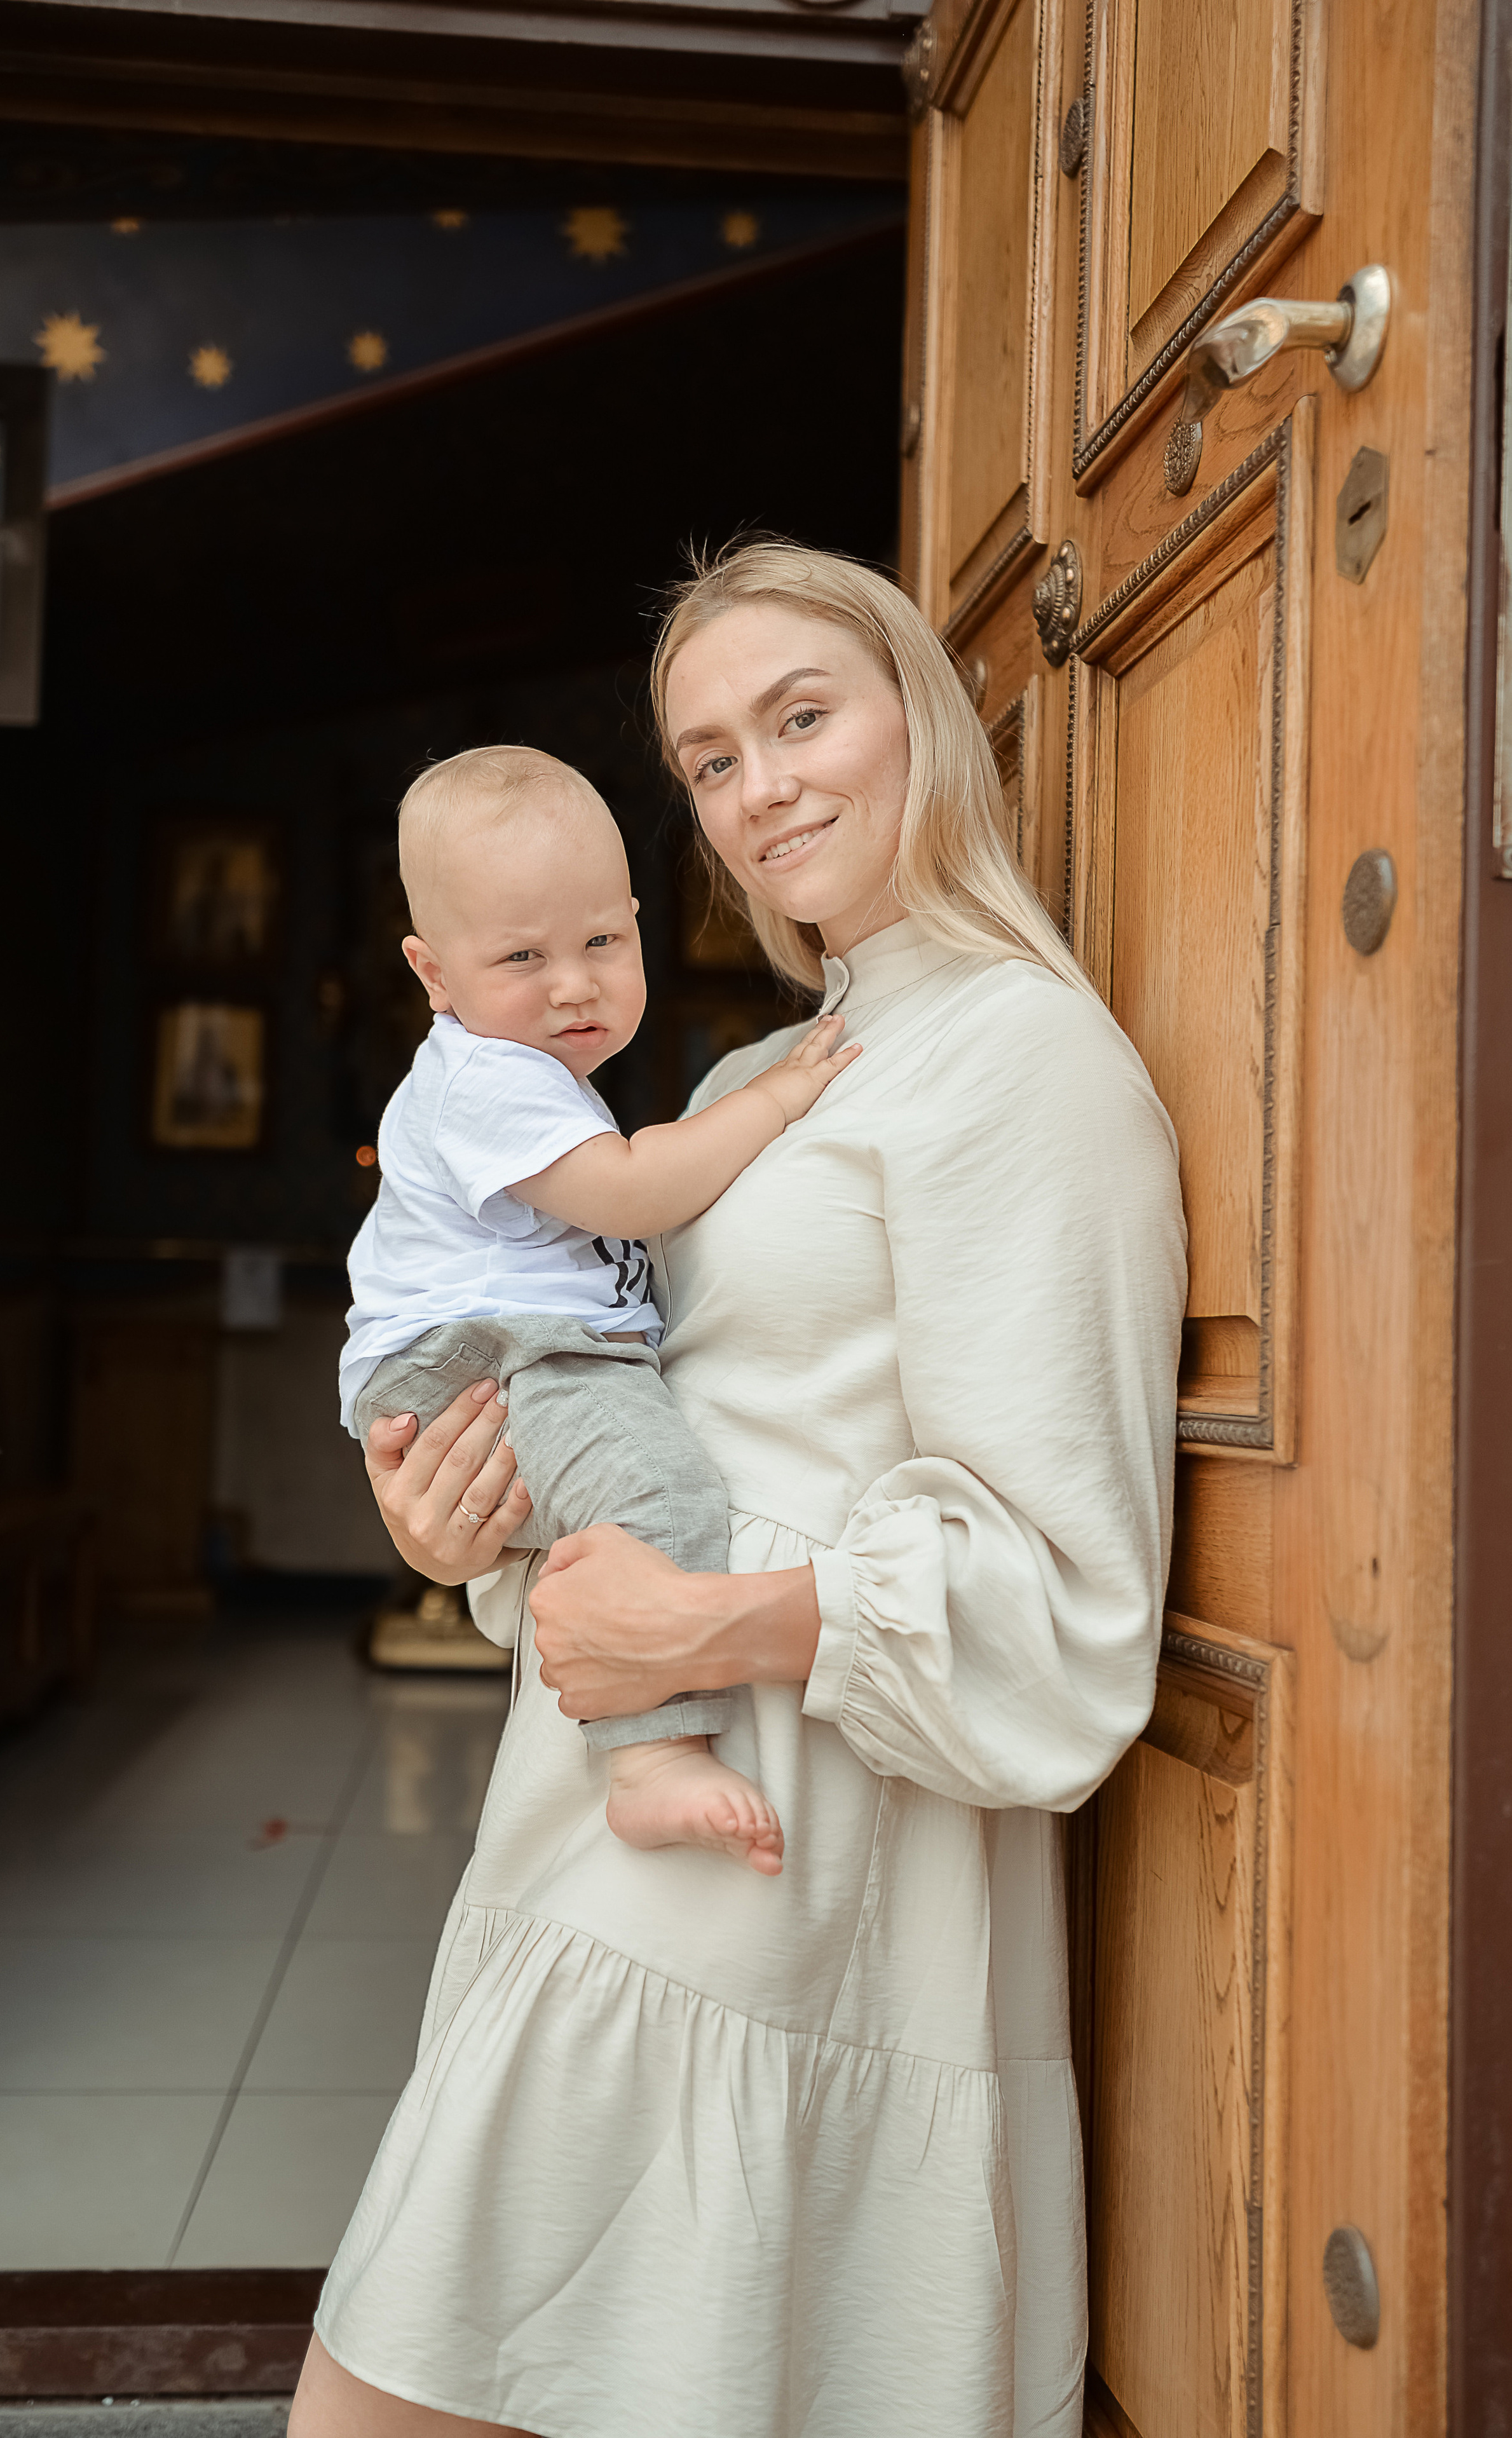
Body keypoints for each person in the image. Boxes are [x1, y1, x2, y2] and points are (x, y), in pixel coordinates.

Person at [292, 540, 1187, 2438]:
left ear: (918, 715)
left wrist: (708, 1620)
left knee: (424, 2387)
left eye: (799, 717)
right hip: (615, 1800)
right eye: (709, 758)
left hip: (800, 1859)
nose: (758, 785)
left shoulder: (1025, 1058)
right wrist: (465, 1528)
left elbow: (1069, 1601)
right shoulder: (757, 1071)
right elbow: (632, 1416)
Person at [341, 743, 862, 1873]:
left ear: (636, 922)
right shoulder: (487, 1079)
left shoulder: (527, 1070)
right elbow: (631, 1192)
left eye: (601, 943)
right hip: (486, 1355)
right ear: (433, 974)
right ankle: (653, 1761)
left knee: (625, 1494)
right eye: (522, 956)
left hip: (500, 1351)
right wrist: (779, 1098)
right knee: (657, 1491)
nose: (574, 985)